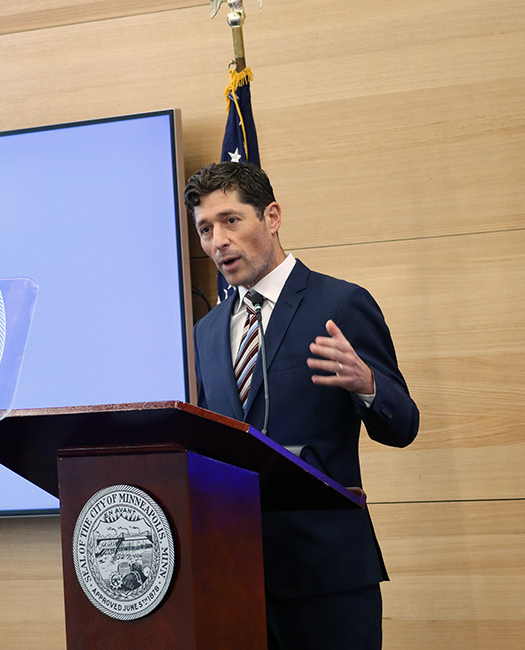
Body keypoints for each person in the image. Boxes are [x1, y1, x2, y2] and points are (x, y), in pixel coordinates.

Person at [185, 162, 419, 649]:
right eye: (205, 229)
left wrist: (367, 383)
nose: (217, 242)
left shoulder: (340, 304)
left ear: (271, 217)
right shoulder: (206, 333)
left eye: (231, 221)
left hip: (328, 580)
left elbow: (403, 424)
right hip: (236, 579)